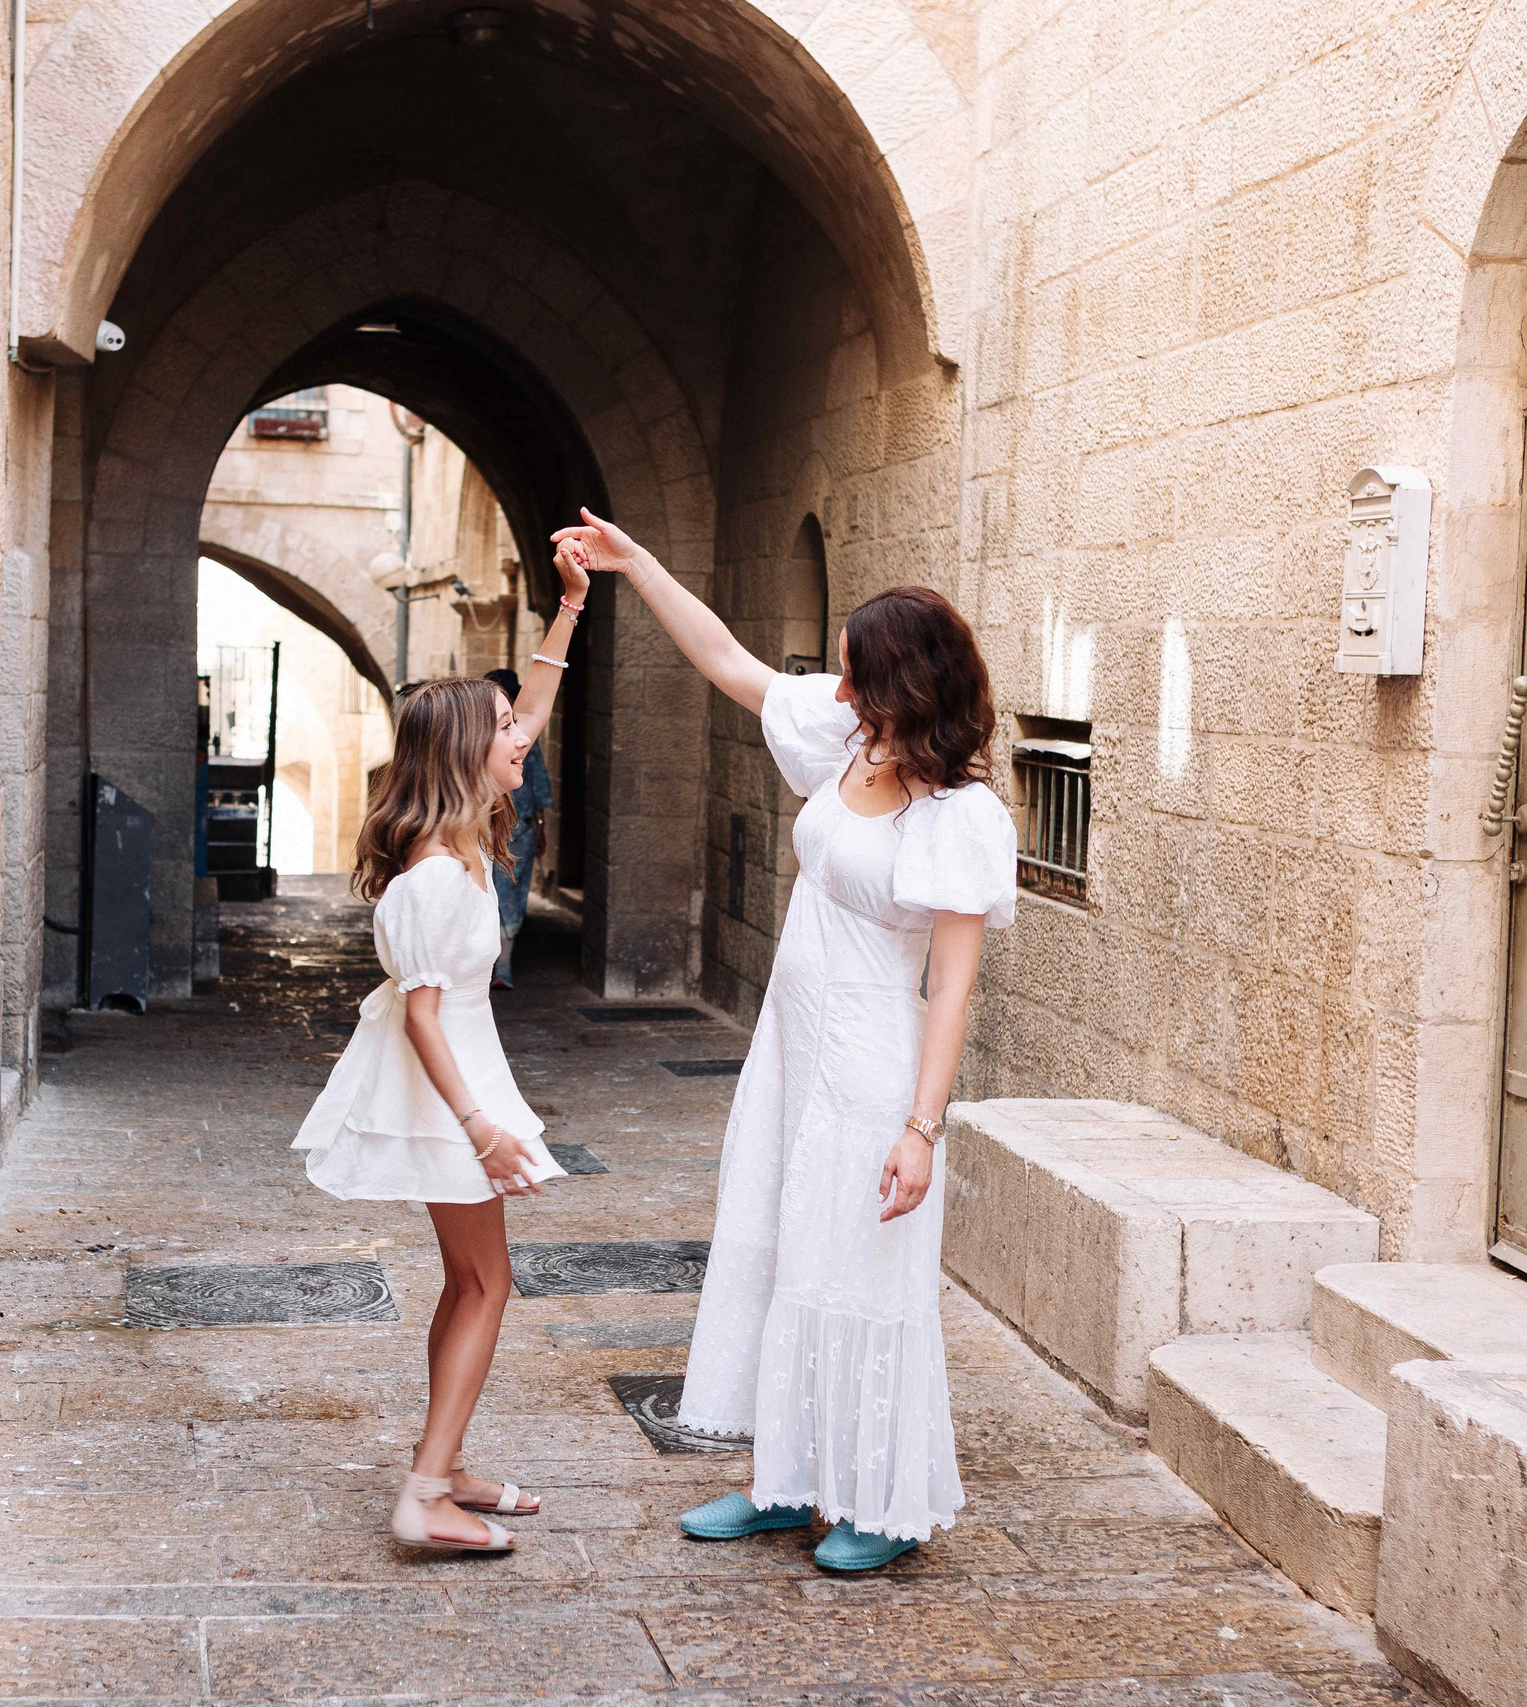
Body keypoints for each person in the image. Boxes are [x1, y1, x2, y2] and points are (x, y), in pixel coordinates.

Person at [550, 509, 1015, 1573]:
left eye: (858, 678)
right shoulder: (844, 741)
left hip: (871, 1068)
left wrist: (921, 1129)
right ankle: (784, 1481)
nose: (838, 692)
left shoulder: (959, 816)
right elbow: (725, 659)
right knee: (775, 1246)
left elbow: (949, 987)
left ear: (908, 687)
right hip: (792, 1049)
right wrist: (639, 563)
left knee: (854, 1270)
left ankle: (875, 1506)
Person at [291, 549, 592, 1554]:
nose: (523, 737)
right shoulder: (431, 879)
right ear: (470, 755)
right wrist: (480, 1129)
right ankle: (424, 1495)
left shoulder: (463, 836)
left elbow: (536, 705)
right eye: (505, 730)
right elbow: (421, 1016)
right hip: (447, 1089)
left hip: (457, 1080)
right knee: (486, 1283)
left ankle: (446, 1463)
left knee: (472, 1282)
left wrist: (569, 609)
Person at [479, 667, 552, 988]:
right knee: (506, 894)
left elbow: (535, 783)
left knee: (492, 892)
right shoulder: (520, 740)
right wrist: (539, 827)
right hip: (504, 828)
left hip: (500, 828)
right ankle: (500, 964)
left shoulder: (485, 736)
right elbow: (538, 785)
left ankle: (496, 964)